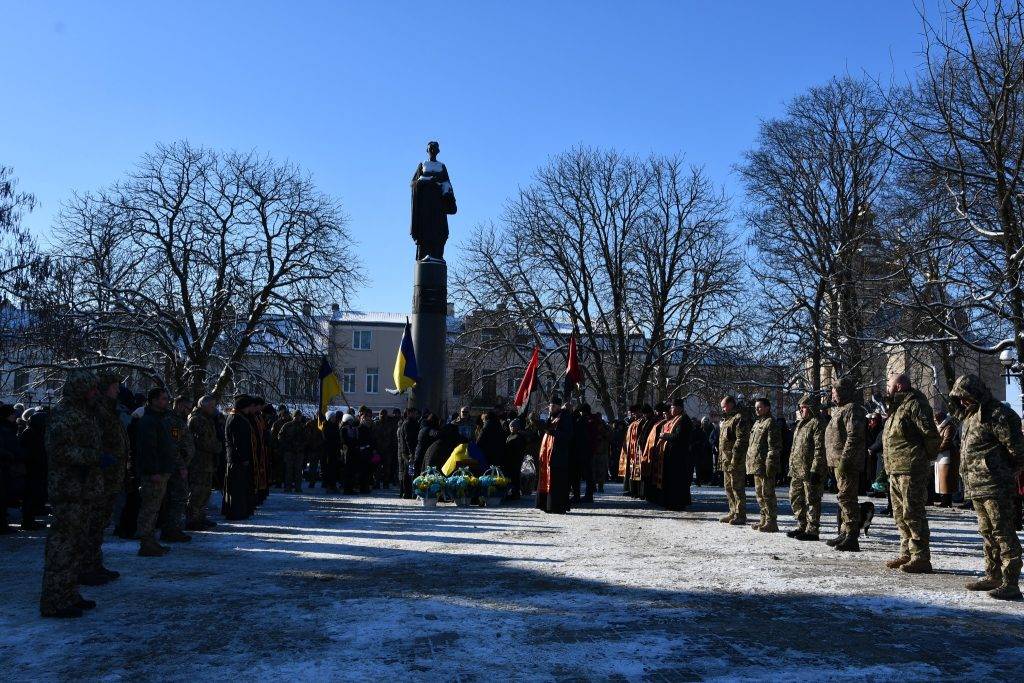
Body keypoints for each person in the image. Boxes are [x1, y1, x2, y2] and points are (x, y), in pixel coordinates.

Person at [949, 374, 1024, 600]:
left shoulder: (998, 415)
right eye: (959, 398)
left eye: (965, 396)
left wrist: (1006, 471)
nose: (962, 402)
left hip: (996, 486)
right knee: (987, 532)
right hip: (977, 486)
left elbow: (1017, 450)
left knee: (1003, 532)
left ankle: (1011, 582)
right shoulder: (970, 416)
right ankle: (993, 574)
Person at [39, 370, 104, 618]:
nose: (95, 393)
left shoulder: (85, 413)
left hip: (83, 489)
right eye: (91, 389)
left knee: (77, 544)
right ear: (80, 390)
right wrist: (95, 457)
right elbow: (61, 452)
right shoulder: (64, 415)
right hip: (68, 489)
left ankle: (68, 593)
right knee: (63, 545)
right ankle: (55, 600)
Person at [882, 373, 940, 574]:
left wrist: (925, 460)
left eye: (888, 385)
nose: (886, 388)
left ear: (898, 386)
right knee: (900, 515)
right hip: (896, 469)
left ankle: (921, 556)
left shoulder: (916, 404)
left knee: (913, 513)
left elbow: (931, 434)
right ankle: (906, 553)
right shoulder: (897, 407)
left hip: (911, 469)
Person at [79, 372, 130, 585]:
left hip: (112, 475)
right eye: (114, 386)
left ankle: (94, 564)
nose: (117, 390)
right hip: (100, 475)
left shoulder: (110, 410)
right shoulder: (97, 411)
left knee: (100, 524)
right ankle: (86, 568)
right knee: (92, 524)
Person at [134, 387, 178, 556]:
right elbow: (148, 449)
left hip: (163, 470)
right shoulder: (149, 420)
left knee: (155, 508)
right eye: (162, 399)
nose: (165, 402)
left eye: (166, 399)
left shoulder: (161, 419)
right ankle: (146, 543)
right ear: (153, 400)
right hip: (154, 473)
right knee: (149, 509)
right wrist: (153, 471)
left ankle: (151, 541)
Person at [824, 377, 867, 551]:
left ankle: (852, 536)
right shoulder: (840, 410)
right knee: (843, 498)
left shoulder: (853, 409)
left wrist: (844, 461)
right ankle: (844, 532)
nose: (832, 396)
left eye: (835, 392)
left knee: (847, 498)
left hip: (847, 463)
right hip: (837, 461)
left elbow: (853, 437)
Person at [788, 394, 827, 541]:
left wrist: (816, 469)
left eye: (804, 407)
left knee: (812, 499)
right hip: (797, 469)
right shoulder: (801, 424)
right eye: (801, 408)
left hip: (810, 469)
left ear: (811, 408)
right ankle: (802, 525)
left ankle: (812, 529)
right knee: (795, 497)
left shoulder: (817, 423)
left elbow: (819, 449)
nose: (801, 410)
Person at [746, 398, 781, 532]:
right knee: (759, 494)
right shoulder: (757, 423)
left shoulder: (771, 423)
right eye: (756, 407)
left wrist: (770, 465)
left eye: (759, 407)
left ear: (767, 408)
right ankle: (763, 519)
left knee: (768, 494)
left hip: (765, 465)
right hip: (756, 464)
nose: (757, 410)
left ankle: (772, 521)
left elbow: (774, 446)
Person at [187, 395, 222, 529]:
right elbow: (203, 441)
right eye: (211, 406)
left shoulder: (207, 419)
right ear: (204, 406)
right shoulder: (197, 419)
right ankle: (192, 519)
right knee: (197, 491)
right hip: (199, 461)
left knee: (205, 491)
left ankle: (200, 516)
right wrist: (218, 447)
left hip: (207, 462)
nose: (214, 409)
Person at [164, 395, 195, 540]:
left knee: (178, 498)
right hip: (176, 468)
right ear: (180, 405)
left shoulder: (178, 420)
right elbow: (174, 446)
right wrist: (181, 466)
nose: (189, 411)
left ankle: (173, 528)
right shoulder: (173, 421)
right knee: (177, 498)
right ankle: (172, 529)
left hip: (180, 466)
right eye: (188, 408)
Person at [536, 394, 573, 514]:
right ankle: (547, 505)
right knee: (547, 480)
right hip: (548, 456)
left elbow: (567, 436)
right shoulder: (551, 417)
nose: (550, 408)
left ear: (557, 406)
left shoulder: (565, 417)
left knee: (557, 482)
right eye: (549, 406)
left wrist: (552, 432)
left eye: (552, 406)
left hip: (558, 456)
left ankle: (557, 506)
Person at [222, 396, 257, 520]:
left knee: (240, 486)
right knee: (237, 487)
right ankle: (236, 512)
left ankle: (239, 510)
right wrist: (244, 458)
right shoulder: (236, 419)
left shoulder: (238, 417)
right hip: (237, 459)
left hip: (236, 458)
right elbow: (238, 442)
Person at [719, 396, 751, 525]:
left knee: (737, 487)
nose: (723, 409)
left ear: (731, 404)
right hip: (726, 460)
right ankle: (732, 511)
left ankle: (740, 514)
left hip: (735, 460)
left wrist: (735, 459)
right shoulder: (727, 419)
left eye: (724, 406)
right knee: (728, 487)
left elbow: (741, 440)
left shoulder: (739, 418)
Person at [657, 398, 693, 511]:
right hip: (673, 456)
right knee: (672, 480)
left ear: (679, 408)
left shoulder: (683, 420)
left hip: (680, 456)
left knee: (678, 480)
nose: (671, 409)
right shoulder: (676, 419)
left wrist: (665, 436)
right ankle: (672, 502)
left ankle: (678, 503)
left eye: (672, 407)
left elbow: (679, 437)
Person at [934, 410, 960, 508]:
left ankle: (946, 501)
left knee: (946, 479)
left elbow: (947, 441)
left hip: (947, 456)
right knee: (940, 479)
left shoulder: (949, 427)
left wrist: (936, 450)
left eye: (936, 419)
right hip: (941, 456)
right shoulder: (941, 427)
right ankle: (943, 500)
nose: (935, 421)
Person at [617, 405, 643, 496]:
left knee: (634, 471)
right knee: (629, 471)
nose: (633, 415)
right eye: (632, 413)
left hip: (635, 450)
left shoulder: (640, 422)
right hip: (630, 450)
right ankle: (630, 489)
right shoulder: (632, 423)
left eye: (635, 413)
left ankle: (635, 490)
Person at [279, 411, 307, 493]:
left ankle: (297, 488)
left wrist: (300, 446)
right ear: (293, 416)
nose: (297, 418)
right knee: (289, 471)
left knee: (298, 471)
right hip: (289, 451)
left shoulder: (303, 426)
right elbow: (280, 437)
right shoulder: (287, 425)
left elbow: (307, 438)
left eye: (299, 416)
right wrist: (287, 445)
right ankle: (288, 487)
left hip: (299, 452)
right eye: (296, 416)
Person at [397, 407, 420, 499]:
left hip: (407, 451)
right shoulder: (408, 424)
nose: (416, 415)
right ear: (409, 413)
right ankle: (407, 493)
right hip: (408, 452)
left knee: (408, 472)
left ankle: (406, 492)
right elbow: (408, 439)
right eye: (414, 413)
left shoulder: (411, 423)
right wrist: (411, 453)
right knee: (408, 473)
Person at [321, 412, 342, 494]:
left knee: (334, 469)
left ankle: (333, 485)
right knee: (328, 469)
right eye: (332, 417)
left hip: (335, 450)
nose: (334, 418)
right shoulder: (325, 426)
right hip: (328, 451)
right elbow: (326, 437)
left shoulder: (336, 426)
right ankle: (328, 486)